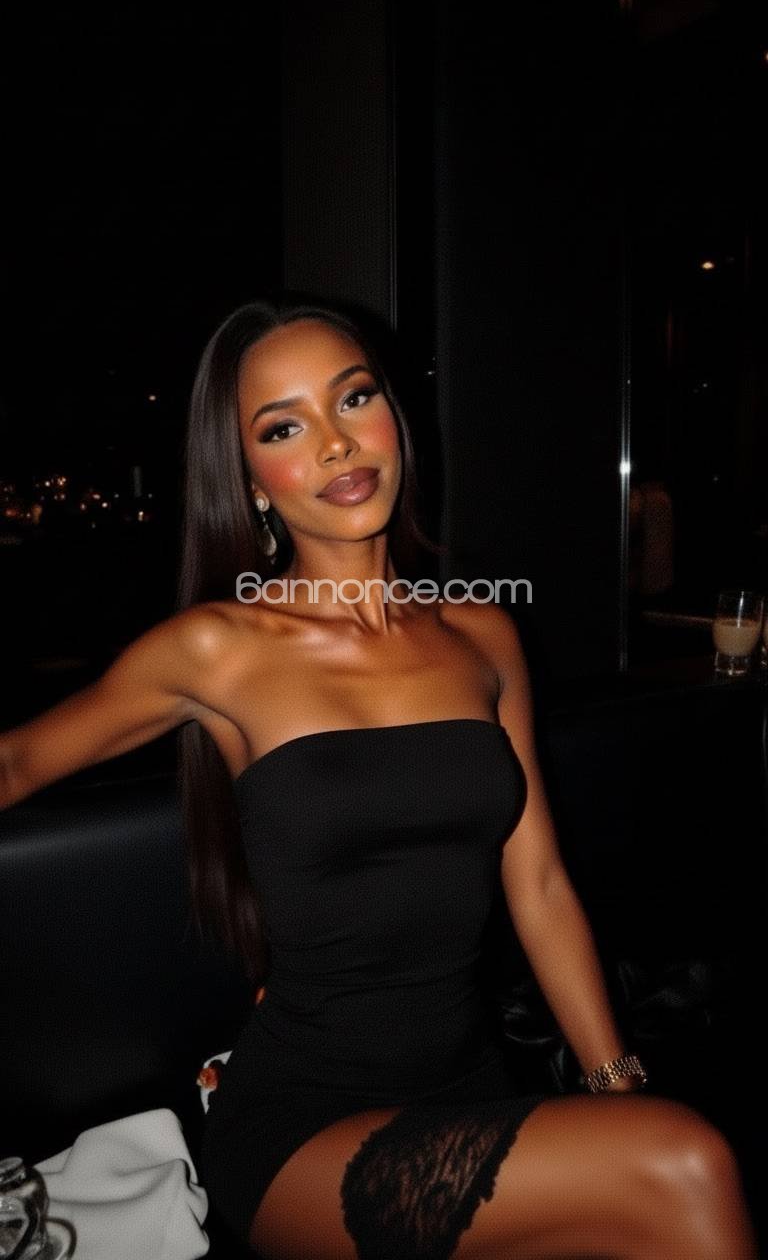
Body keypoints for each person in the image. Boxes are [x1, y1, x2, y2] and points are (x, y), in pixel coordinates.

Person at [0, 298, 758, 1260]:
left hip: (474, 1089)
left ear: (395, 418)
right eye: (284, 428)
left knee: (658, 1164)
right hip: (302, 1126)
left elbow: (538, 882)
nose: (335, 443)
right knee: (685, 1162)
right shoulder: (217, 648)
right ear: (252, 483)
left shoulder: (483, 634)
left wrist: (615, 1083)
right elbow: (18, 760)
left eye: (353, 398)